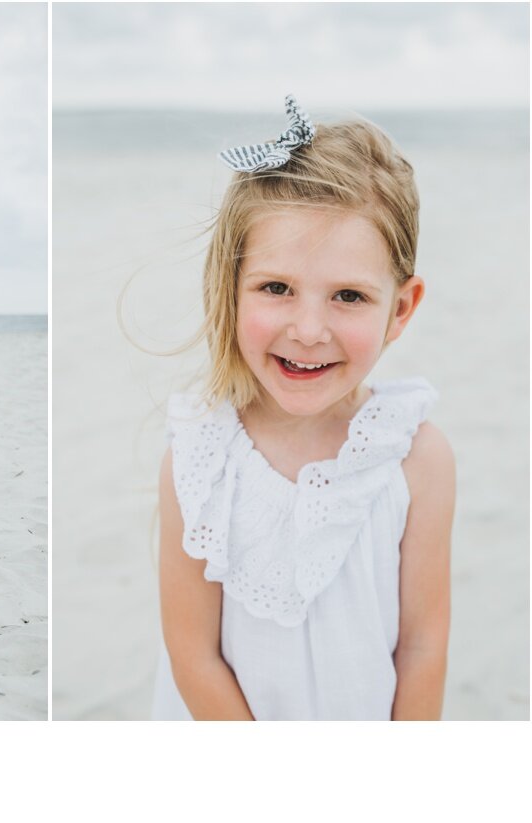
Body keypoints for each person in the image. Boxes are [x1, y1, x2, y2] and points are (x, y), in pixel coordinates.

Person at [155, 97, 449, 720]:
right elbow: (193, 654)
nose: (309, 329)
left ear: (401, 307)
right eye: (276, 288)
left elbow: (422, 646)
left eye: (348, 295)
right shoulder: (198, 457)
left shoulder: (418, 458)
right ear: (229, 289)